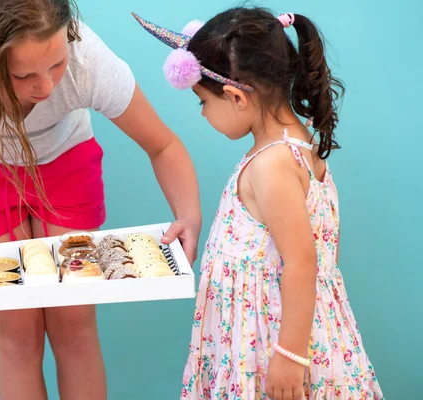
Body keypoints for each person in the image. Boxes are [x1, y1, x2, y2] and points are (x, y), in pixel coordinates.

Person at [0, 1, 202, 399]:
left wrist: (189, 215)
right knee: (16, 333)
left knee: (74, 322)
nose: (45, 86)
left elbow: (162, 145)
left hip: (65, 162)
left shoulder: (87, 59)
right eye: (23, 75)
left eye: (56, 65)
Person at [133, 8, 383, 400]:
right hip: (268, 332)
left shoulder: (272, 166)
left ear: (235, 97)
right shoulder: (291, 148)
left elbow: (302, 264)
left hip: (271, 343)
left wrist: (288, 356)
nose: (203, 114)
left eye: (203, 102)